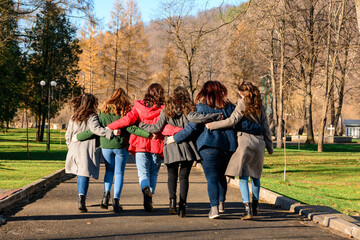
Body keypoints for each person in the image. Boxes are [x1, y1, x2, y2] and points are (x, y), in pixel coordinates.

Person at [168, 81, 264, 219]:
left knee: (211, 178)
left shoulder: (201, 107)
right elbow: (242, 124)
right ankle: (221, 203)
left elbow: (193, 127)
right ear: (222, 91)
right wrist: (260, 129)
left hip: (208, 147)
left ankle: (214, 210)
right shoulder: (230, 107)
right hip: (227, 146)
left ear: (204, 92)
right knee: (221, 176)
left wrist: (176, 138)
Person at [138, 86, 221, 217]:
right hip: (186, 146)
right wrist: (216, 116)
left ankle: (172, 203)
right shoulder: (188, 109)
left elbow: (156, 128)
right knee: (184, 177)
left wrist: (140, 124)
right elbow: (199, 119)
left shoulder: (166, 109)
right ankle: (182, 206)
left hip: (170, 146)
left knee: (172, 176)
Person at [106, 83, 182, 212]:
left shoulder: (138, 108)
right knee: (153, 172)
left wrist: (110, 127)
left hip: (140, 144)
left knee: (143, 173)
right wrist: (181, 130)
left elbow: (126, 120)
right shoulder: (164, 109)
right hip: (156, 143)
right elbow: (166, 127)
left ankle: (145, 188)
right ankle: (149, 196)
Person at [75, 88, 152, 213]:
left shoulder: (104, 111)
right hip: (121, 146)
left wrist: (79, 137)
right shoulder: (126, 111)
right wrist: (147, 134)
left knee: (109, 171)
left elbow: (97, 129)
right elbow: (132, 128)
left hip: (106, 145)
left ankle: (106, 195)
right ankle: (116, 201)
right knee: (119, 173)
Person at [205, 81, 273, 220]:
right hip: (259, 143)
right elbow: (266, 127)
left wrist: (213, 125)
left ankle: (247, 209)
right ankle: (255, 206)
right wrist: (270, 146)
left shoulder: (242, 104)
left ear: (242, 92)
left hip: (245, 142)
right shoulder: (261, 106)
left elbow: (232, 121)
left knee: (243, 176)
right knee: (256, 176)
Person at [65, 93, 113, 213]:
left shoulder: (73, 117)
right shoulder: (92, 116)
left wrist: (70, 146)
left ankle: (80, 196)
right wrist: (108, 132)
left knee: (79, 173)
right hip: (86, 149)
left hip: (74, 148)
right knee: (84, 174)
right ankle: (82, 198)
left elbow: (68, 135)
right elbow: (95, 129)